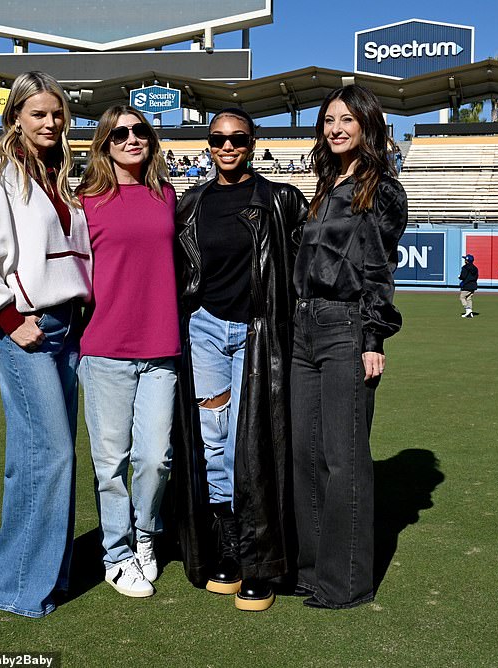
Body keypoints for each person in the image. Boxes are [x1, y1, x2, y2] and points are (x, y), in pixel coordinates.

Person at [0, 71, 92, 618]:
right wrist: (9, 318)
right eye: (38, 113)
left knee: (39, 458)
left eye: (57, 113)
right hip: (28, 331)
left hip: (70, 327)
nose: (50, 122)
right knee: (51, 455)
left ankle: (48, 576)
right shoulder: (2, 172)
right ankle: (16, 587)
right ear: (15, 117)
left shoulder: (63, 174)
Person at [174, 107, 308, 611]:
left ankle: (259, 559)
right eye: (218, 139)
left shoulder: (281, 200)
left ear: (253, 143)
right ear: (207, 144)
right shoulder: (190, 204)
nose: (227, 147)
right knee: (214, 443)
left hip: (258, 333)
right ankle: (228, 550)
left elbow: (301, 271)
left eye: (238, 139)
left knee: (247, 446)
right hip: (205, 331)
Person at [291, 84, 408, 609]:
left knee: (344, 457)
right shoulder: (322, 184)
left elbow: (378, 269)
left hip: (346, 329)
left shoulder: (380, 188)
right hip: (302, 329)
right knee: (306, 455)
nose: (335, 128)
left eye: (346, 119)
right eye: (329, 119)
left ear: (366, 126)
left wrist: (372, 337)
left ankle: (346, 583)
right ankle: (313, 570)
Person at [75, 105, 179, 598]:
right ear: (104, 144)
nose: (132, 138)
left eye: (140, 130)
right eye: (120, 133)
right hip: (104, 348)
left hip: (161, 346)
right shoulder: (84, 202)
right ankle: (116, 554)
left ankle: (145, 535)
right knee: (109, 460)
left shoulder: (167, 195)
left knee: (156, 457)